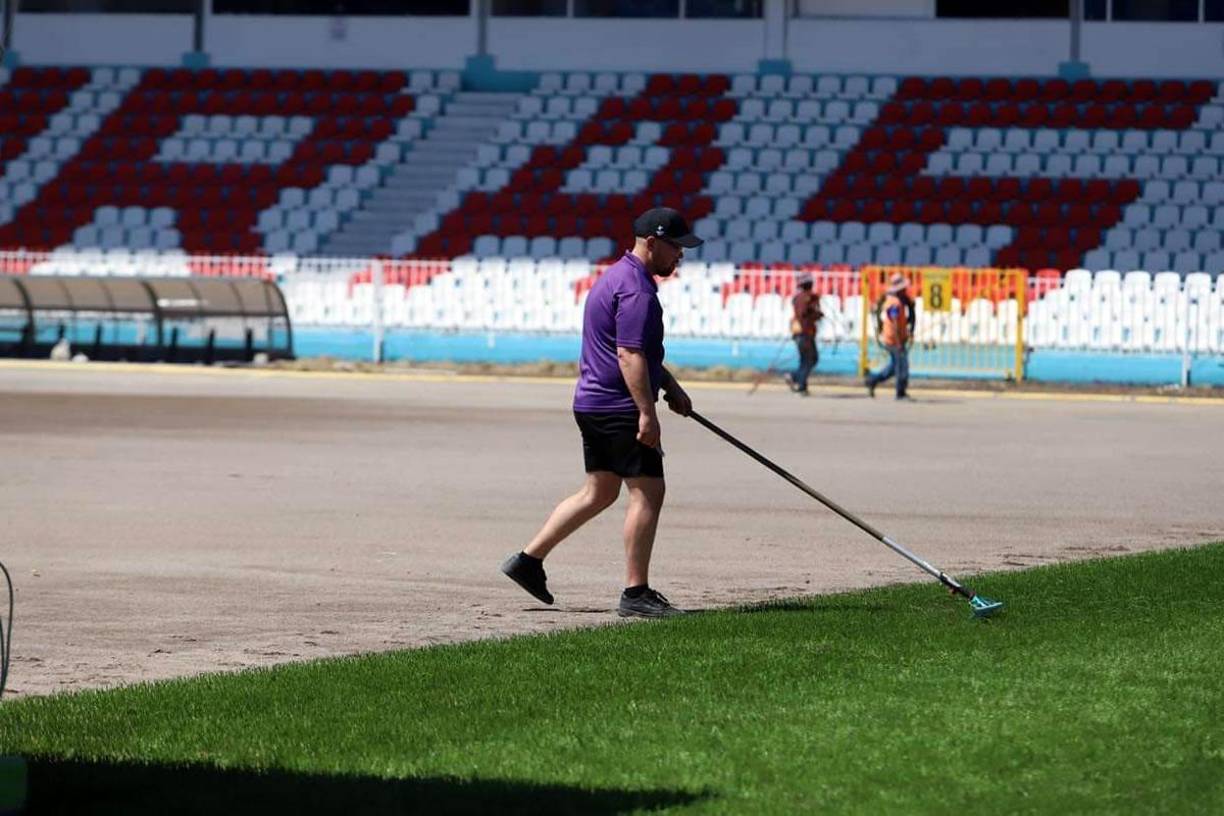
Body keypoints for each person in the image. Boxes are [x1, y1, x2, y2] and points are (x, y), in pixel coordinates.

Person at [501, 207, 700, 618]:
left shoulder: (615, 278)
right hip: (618, 405)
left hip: (592, 402)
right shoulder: (637, 291)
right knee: (648, 491)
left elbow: (633, 351)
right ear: (652, 242)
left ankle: (527, 561)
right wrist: (648, 412)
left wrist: (669, 384)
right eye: (676, 247)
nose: (680, 256)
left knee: (600, 491)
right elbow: (628, 355)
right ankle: (636, 593)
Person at [865, 273, 916, 400]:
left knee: (893, 367)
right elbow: (893, 323)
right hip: (894, 340)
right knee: (902, 365)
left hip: (895, 338)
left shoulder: (896, 301)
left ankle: (872, 380)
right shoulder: (894, 303)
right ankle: (900, 392)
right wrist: (899, 342)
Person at [784, 272, 823, 396]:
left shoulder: (799, 298)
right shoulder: (807, 298)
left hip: (800, 333)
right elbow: (804, 314)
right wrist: (817, 314)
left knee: (804, 360)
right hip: (805, 332)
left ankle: (802, 386)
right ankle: (795, 378)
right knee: (812, 359)